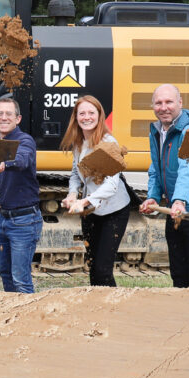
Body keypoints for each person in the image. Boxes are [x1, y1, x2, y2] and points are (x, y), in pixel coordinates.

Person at [139, 84, 189, 288]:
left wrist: (179, 199)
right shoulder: (157, 131)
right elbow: (156, 169)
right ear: (153, 106)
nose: (163, 107)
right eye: (158, 103)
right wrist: (153, 197)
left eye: (169, 102)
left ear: (180, 103)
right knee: (178, 275)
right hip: (176, 212)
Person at [59, 95, 131, 287]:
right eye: (82, 113)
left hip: (113, 211)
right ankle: (96, 307)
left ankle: (111, 309)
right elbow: (76, 171)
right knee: (92, 265)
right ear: (76, 117)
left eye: (92, 112)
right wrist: (73, 194)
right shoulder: (78, 141)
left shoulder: (108, 143)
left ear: (100, 116)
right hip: (91, 211)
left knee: (102, 268)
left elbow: (111, 185)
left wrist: (84, 201)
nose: (86, 117)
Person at [0, 96, 41, 293]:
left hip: (24, 221)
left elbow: (22, 160)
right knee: (6, 275)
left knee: (21, 280)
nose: (4, 117)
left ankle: (28, 322)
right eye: (0, 114)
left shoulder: (25, 140)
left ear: (18, 119)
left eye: (8, 114)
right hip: (4, 220)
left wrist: (5, 163)